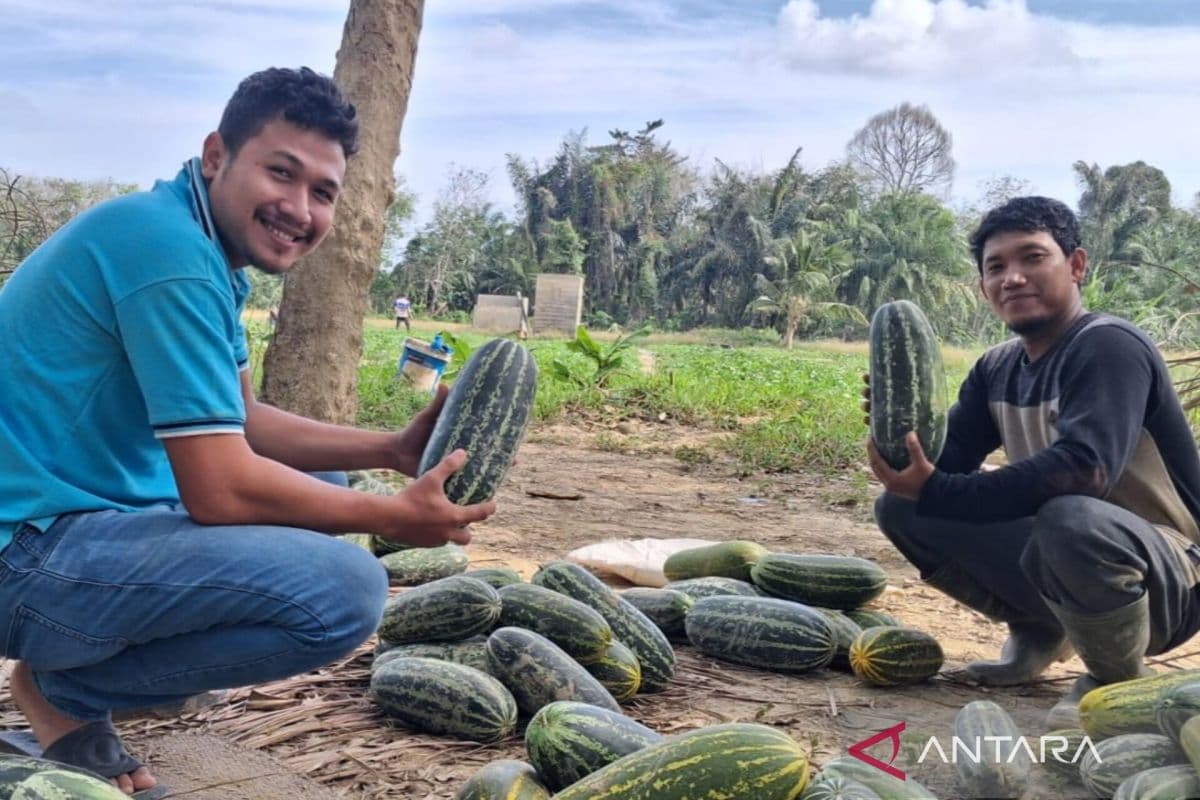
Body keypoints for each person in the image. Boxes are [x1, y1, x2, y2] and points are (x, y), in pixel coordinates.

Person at [0, 67, 495, 796]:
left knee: (323, 487)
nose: (299, 208)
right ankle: (62, 691)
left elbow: (248, 424)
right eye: (281, 173)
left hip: (61, 513)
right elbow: (221, 490)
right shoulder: (165, 253)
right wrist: (392, 517)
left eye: (322, 191)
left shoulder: (191, 241)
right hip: (22, 551)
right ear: (215, 157)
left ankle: (72, 669)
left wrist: (389, 449)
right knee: (345, 592)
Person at [866, 196, 1200, 728]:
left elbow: (1084, 469)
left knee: (1070, 514)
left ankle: (1116, 680)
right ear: (983, 287)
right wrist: (898, 421)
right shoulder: (995, 368)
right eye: (996, 267)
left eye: (1032, 258)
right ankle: (1041, 629)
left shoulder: (1108, 346)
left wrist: (937, 489)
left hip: (1171, 577)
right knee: (903, 509)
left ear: (1076, 265)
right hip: (1071, 558)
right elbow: (941, 467)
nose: (1013, 278)